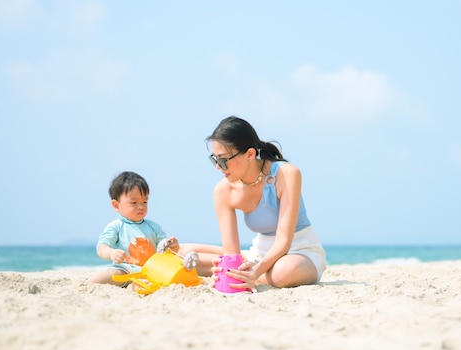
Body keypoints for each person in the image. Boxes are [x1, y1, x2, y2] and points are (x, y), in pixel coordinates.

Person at [181, 116, 326, 290]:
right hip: (259, 255)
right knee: (184, 256)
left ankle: (252, 273)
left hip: (300, 252)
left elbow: (283, 240)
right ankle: (248, 271)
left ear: (250, 154)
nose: (218, 167)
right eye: (215, 159)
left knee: (282, 273)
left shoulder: (287, 175)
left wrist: (255, 272)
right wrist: (227, 268)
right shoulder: (223, 191)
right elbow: (231, 252)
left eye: (223, 160)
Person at [90, 171, 180, 290]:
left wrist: (172, 246)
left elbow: (163, 250)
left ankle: (133, 286)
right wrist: (111, 253)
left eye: (144, 202)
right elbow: (101, 247)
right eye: (134, 202)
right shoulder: (116, 226)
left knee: (170, 274)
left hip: (151, 269)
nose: (141, 206)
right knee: (101, 278)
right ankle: (130, 284)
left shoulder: (154, 227)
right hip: (126, 269)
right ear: (116, 205)